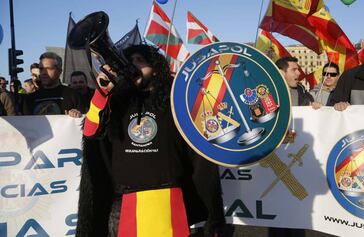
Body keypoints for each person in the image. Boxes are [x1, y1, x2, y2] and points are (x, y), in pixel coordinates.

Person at [76, 44, 227, 237]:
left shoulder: (177, 103)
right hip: (123, 204)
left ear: (155, 69)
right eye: (128, 62)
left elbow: (201, 156)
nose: (133, 66)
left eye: (140, 61)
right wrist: (103, 91)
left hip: (169, 200)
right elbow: (91, 132)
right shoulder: (116, 102)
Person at [23, 52, 82, 117]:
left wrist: (77, 114)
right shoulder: (30, 99)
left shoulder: (73, 95)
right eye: (41, 69)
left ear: (59, 71)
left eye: (49, 68)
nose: (43, 73)